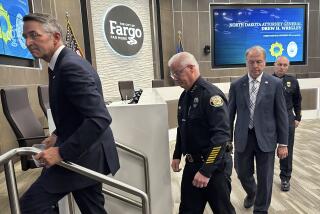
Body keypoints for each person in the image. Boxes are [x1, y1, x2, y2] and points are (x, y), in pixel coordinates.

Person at [20, 13, 120, 214]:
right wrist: (56, 135)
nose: (28, 42)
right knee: (92, 209)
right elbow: (75, 112)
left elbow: (99, 118)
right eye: (25, 37)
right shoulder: (59, 64)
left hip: (85, 154)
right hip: (88, 151)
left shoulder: (70, 67)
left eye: (34, 35)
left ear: (56, 37)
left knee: (32, 204)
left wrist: (60, 152)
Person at [169, 52, 235, 214]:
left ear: (191, 68)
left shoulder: (211, 96)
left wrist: (206, 171)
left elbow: (221, 138)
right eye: (172, 74)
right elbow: (182, 128)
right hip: (192, 165)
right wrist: (177, 154)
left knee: (223, 211)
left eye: (177, 73)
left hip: (214, 168)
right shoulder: (185, 96)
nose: (174, 78)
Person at [228, 46, 289, 213]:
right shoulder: (236, 85)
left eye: (259, 62)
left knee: (265, 178)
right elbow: (229, 114)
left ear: (265, 62)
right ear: (246, 63)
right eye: (251, 62)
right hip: (243, 137)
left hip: (267, 138)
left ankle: (261, 210)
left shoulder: (275, 84)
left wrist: (283, 143)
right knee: (241, 172)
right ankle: (252, 192)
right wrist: (227, 140)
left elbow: (282, 114)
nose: (255, 66)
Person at [273, 56, 302, 191]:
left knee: (287, 150)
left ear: (288, 66)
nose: (282, 67)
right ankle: (265, 177)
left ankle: (285, 178)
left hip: (288, 119)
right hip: (271, 120)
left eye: (285, 65)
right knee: (266, 150)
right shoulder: (267, 81)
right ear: (274, 65)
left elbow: (298, 100)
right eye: (280, 64)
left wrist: (298, 118)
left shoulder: (293, 81)